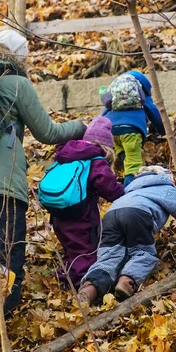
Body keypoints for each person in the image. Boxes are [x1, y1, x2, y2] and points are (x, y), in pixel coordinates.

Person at [0, 29, 86, 317]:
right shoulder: (17, 84)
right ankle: (1, 324)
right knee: (8, 256)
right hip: (4, 186)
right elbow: (48, 132)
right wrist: (82, 126)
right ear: (18, 56)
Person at [77, 166, 176, 305]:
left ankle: (89, 289)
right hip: (137, 214)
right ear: (167, 178)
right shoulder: (164, 187)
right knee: (142, 252)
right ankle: (126, 281)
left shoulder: (130, 190)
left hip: (110, 216)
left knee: (109, 256)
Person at [45, 116, 125, 288]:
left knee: (69, 245)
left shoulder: (66, 153)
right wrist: (123, 193)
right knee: (85, 250)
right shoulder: (95, 159)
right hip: (81, 214)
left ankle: (65, 277)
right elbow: (108, 187)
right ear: (105, 146)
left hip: (58, 212)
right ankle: (82, 285)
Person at [100, 70, 165, 186]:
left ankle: (123, 161)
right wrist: (162, 130)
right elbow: (153, 112)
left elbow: (105, 110)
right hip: (131, 130)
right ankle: (130, 189)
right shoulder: (140, 92)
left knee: (122, 150)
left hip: (112, 130)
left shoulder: (116, 91)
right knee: (133, 165)